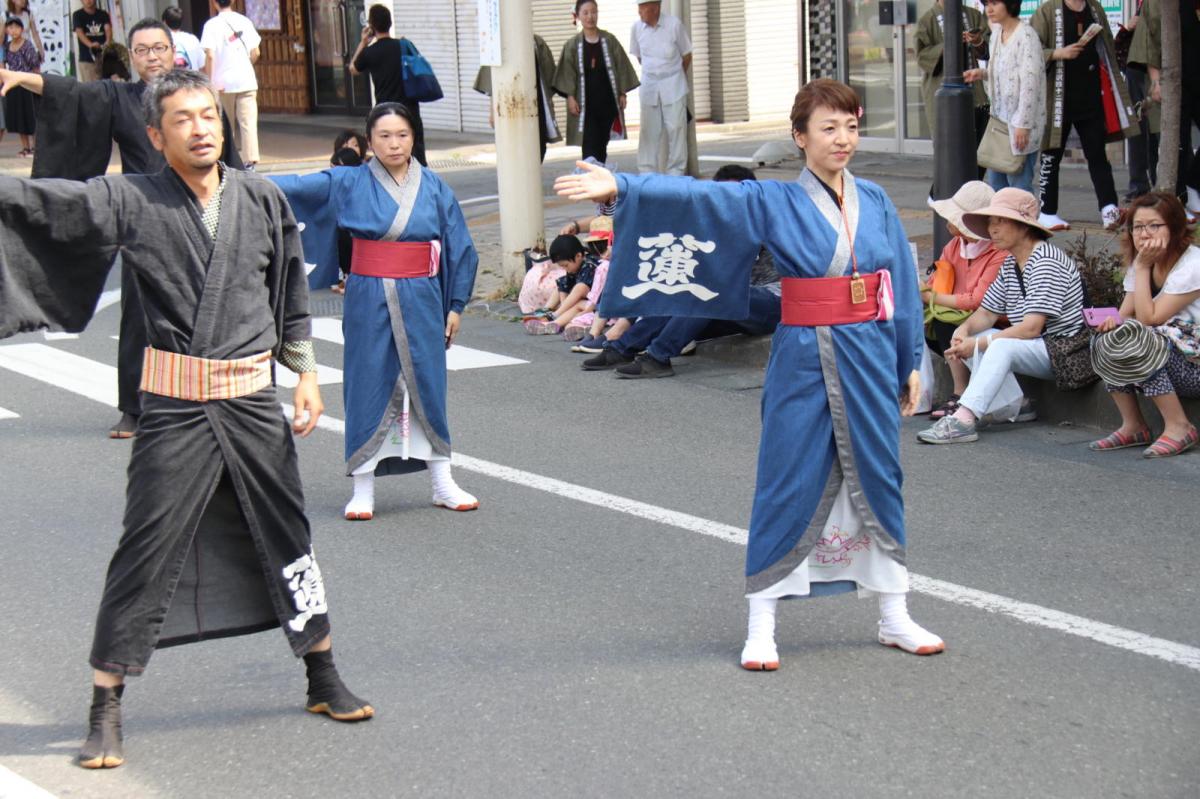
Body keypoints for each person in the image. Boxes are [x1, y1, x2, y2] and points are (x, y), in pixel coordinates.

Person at [0, 68, 373, 771]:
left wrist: (307, 376)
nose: (201, 128)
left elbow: (288, 294)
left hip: (252, 400)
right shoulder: (131, 198)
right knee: (145, 544)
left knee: (287, 532)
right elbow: (46, 204)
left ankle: (321, 674)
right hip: (174, 407)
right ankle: (104, 706)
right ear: (155, 134)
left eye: (208, 115)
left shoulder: (260, 197)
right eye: (183, 119)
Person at [556, 78, 944, 669]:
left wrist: (909, 357)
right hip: (804, 354)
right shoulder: (774, 200)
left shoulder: (877, 200)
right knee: (787, 474)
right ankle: (761, 622)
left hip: (869, 352)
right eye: (828, 128)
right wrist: (624, 186)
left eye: (851, 127)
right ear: (800, 137)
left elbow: (901, 287)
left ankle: (895, 614)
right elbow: (699, 199)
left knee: (880, 474)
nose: (843, 139)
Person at [0, 17, 243, 439]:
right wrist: (22, 78)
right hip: (143, 217)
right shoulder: (121, 97)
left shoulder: (199, 98)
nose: (152, 57)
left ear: (173, 51)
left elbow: (229, 159)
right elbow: (71, 93)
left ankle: (209, 401)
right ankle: (134, 407)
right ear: (131, 57)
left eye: (159, 48)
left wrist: (238, 206)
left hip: (199, 214)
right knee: (138, 314)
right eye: (142, 50)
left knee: (207, 311)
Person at [272, 102, 480, 521]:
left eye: (402, 134)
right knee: (366, 381)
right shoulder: (348, 181)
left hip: (424, 296)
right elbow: (294, 187)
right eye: (384, 136)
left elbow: (460, 246)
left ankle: (442, 481)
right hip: (368, 295)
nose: (394, 144)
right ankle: (362, 486)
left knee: (428, 382)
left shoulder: (434, 186)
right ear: (369, 141)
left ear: (414, 138)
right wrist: (231, 179)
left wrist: (456, 304)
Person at [917, 188, 1086, 444]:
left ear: (1024, 226)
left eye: (1000, 221)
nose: (992, 229)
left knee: (998, 345)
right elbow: (986, 312)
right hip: (1038, 346)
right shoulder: (1011, 262)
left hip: (1066, 352)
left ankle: (964, 418)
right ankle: (1014, 407)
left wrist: (977, 343)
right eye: (990, 221)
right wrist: (964, 331)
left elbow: (1031, 328)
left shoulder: (1045, 261)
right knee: (971, 335)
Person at [581, 164, 783, 377]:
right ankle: (623, 348)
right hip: (733, 306)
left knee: (711, 292)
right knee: (682, 293)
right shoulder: (715, 227)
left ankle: (658, 356)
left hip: (772, 302)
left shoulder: (763, 225)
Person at [1089, 192, 1200, 457]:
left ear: (1175, 228)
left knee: (1138, 338)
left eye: (1154, 225)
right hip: (1165, 358)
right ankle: (1133, 425)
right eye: (1138, 227)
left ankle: (1179, 426)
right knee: (1106, 339)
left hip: (1193, 364)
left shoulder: (1193, 265)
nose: (1144, 234)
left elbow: (1151, 318)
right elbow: (1125, 316)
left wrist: (1141, 268)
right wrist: (1109, 325)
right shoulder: (1143, 264)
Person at [1029, 0, 1138, 231]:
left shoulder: (1094, 8)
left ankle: (1109, 208)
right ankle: (1047, 211)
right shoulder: (1047, 11)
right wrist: (1057, 53)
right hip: (1058, 98)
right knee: (1051, 155)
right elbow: (1030, 50)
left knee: (1097, 154)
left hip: (1090, 95)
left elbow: (1107, 46)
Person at [924, 180, 1009, 418]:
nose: (948, 223)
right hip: (966, 317)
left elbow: (977, 300)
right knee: (930, 322)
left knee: (945, 322)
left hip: (997, 321)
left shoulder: (998, 252)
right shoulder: (954, 246)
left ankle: (959, 393)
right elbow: (936, 280)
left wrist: (931, 297)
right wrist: (925, 292)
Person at [1127, 0, 1200, 220]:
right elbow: (1149, 39)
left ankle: (1193, 182)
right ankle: (1177, 200)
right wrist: (1156, 80)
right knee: (1177, 141)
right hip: (1174, 80)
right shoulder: (1160, 2)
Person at [963, 0, 1046, 193]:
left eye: (994, 3)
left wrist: (1023, 125)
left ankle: (1023, 216)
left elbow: (1030, 83)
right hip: (999, 124)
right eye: (986, 4)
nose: (989, 9)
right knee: (997, 188)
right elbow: (1002, 73)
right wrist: (981, 73)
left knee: (1019, 189)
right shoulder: (996, 35)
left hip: (1019, 127)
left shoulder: (1026, 36)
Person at [552, 0, 638, 165]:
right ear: (578, 16)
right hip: (585, 105)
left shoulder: (609, 40)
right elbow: (567, 73)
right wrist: (570, 97)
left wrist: (622, 93)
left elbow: (621, 66)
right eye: (585, 13)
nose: (590, 17)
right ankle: (590, 173)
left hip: (607, 101)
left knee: (602, 144)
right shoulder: (572, 45)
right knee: (590, 144)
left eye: (593, 12)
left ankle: (599, 173)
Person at [915, 0, 989, 178]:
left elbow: (986, 50)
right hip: (943, 96)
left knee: (980, 152)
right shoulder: (927, 20)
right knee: (949, 155)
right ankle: (943, 193)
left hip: (976, 95)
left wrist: (977, 41)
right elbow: (922, 56)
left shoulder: (973, 15)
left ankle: (971, 188)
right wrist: (948, 44)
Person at [350, 4, 427, 167]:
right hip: (409, 109)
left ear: (372, 27)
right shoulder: (403, 45)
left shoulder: (370, 52)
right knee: (416, 158)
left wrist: (363, 42)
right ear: (390, 23)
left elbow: (353, 69)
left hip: (385, 112)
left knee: (389, 158)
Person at [473, 34, 560, 162]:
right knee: (512, 149)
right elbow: (491, 83)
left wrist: (549, 105)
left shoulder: (536, 42)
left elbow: (548, 79)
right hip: (508, 106)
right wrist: (492, 110)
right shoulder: (496, 42)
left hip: (536, 103)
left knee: (538, 146)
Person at [630, 0, 692, 175]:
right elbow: (639, 57)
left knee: (677, 129)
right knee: (648, 131)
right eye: (639, 8)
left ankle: (676, 173)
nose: (639, 12)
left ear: (655, 8)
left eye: (643, 8)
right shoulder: (636, 28)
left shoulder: (674, 25)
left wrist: (674, 75)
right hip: (649, 85)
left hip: (673, 84)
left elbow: (686, 55)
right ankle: (646, 173)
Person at [201, 0, 261, 168]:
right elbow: (256, 52)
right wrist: (246, 64)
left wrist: (210, 81)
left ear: (214, 2)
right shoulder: (245, 21)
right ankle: (250, 162)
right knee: (248, 122)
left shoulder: (211, 25)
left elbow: (210, 55)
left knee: (226, 124)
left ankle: (229, 160)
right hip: (246, 79)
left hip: (222, 82)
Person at [1119, 0, 1156, 203]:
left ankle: (1157, 182)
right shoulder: (1140, 5)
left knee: (1156, 129)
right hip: (1136, 70)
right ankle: (1139, 185)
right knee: (1137, 129)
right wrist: (1128, 26)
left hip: (1154, 68)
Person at [3, 16, 38, 157]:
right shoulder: (6, 47)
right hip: (14, 85)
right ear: (6, 30)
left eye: (16, 27)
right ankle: (25, 148)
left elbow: (35, 66)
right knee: (19, 117)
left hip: (28, 84)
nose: (13, 30)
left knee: (32, 116)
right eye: (10, 27)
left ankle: (36, 147)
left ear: (22, 29)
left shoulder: (27, 45)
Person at [72, 0, 111, 82]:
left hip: (104, 59)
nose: (88, 1)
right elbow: (79, 32)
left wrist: (107, 42)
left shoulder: (103, 14)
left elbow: (108, 29)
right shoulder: (77, 15)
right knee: (91, 87)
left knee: (107, 86)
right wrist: (91, 45)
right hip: (87, 59)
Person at [162, 5, 205, 71]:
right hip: (193, 77)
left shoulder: (162, 40)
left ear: (164, 22)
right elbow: (202, 65)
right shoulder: (193, 39)